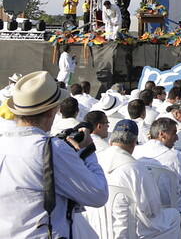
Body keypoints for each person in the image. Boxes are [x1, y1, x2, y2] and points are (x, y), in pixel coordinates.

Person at [0, 71, 108, 238]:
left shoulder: (3, 142)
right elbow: (98, 194)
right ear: (52, 111)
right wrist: (87, 151)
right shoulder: (51, 149)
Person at [89, 119, 181, 238]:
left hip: (96, 226)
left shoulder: (95, 161)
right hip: (128, 230)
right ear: (134, 142)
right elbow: (153, 208)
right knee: (173, 215)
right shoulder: (136, 168)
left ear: (111, 141)